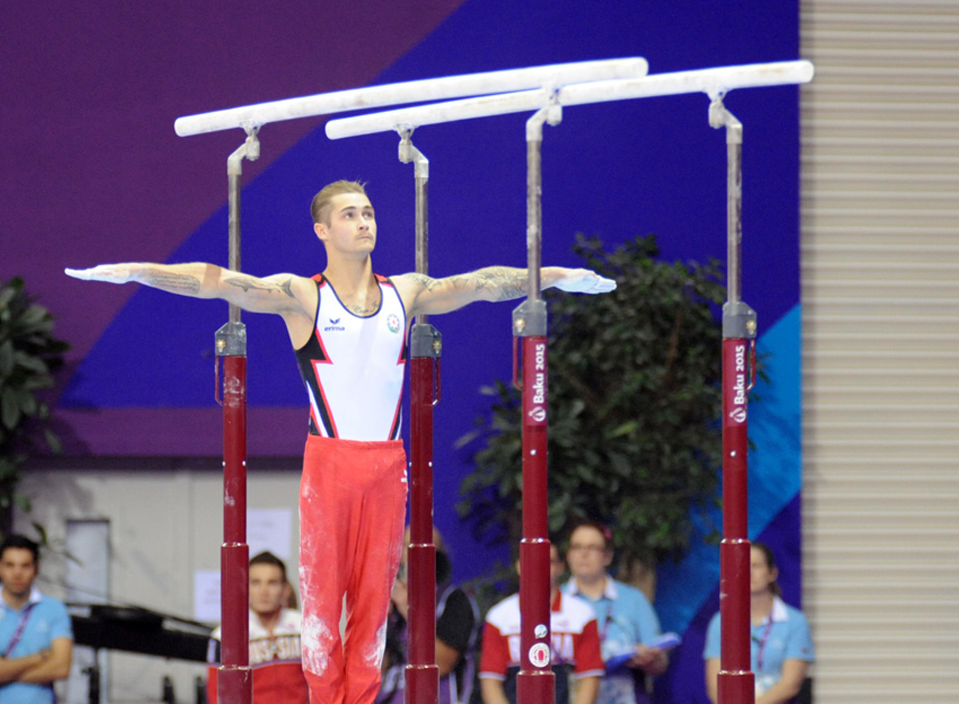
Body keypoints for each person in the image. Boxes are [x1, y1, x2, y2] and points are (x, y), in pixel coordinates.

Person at [67, 179, 616, 704]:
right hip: (329, 464)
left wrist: (556, 275)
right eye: (349, 214)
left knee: (374, 611)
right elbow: (217, 280)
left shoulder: (407, 292)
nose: (363, 222)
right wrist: (139, 271)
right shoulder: (303, 296)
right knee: (324, 611)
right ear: (322, 230)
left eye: (369, 213)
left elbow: (481, 283)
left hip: (386, 466)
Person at [478, 543, 603, 704]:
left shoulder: (582, 614)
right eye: (532, 561)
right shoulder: (499, 617)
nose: (539, 567)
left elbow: (589, 678)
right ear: (519, 566)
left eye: (548, 562)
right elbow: (491, 682)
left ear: (560, 567)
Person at [562, 523, 668, 704]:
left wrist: (649, 660)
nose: (583, 554)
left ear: (607, 556)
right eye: (577, 547)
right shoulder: (554, 601)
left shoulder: (633, 599)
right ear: (568, 555)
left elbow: (661, 663)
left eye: (592, 548)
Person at [0, 535, 73, 704]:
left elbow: (61, 668)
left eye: (25, 566)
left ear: (36, 569)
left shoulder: (55, 610)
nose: (17, 573)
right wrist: (37, 659)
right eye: (9, 565)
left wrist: (0, 670)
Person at [703, 542, 813, 704]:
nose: (749, 572)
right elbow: (715, 686)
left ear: (772, 573)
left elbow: (791, 684)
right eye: (742, 566)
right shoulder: (720, 621)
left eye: (756, 566)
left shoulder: (795, 621)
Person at [378, 527, 477, 704]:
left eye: (424, 548)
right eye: (408, 547)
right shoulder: (387, 600)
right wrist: (378, 623)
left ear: (439, 556)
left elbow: (443, 662)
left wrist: (410, 611)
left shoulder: (454, 600)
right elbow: (373, 670)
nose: (413, 555)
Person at [206, 550, 307, 704]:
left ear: (285, 589)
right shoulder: (225, 636)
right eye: (255, 582)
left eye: (272, 582)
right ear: (244, 587)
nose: (263, 591)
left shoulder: (304, 627)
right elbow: (218, 695)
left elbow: (323, 682)